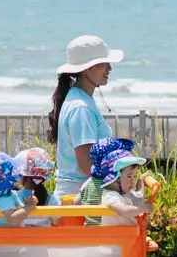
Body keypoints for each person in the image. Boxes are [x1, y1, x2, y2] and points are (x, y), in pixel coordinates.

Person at [48, 35, 122, 203]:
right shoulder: (81, 107)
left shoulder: (79, 99)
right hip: (80, 198)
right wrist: (117, 186)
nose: (109, 68)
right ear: (87, 68)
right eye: (104, 64)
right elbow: (86, 162)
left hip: (82, 193)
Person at [84, 137, 158, 225]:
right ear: (116, 178)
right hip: (115, 237)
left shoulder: (124, 192)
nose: (132, 181)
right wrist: (141, 209)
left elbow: (139, 197)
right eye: (129, 176)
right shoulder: (110, 195)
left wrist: (141, 181)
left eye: (134, 176)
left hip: (127, 236)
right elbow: (124, 211)